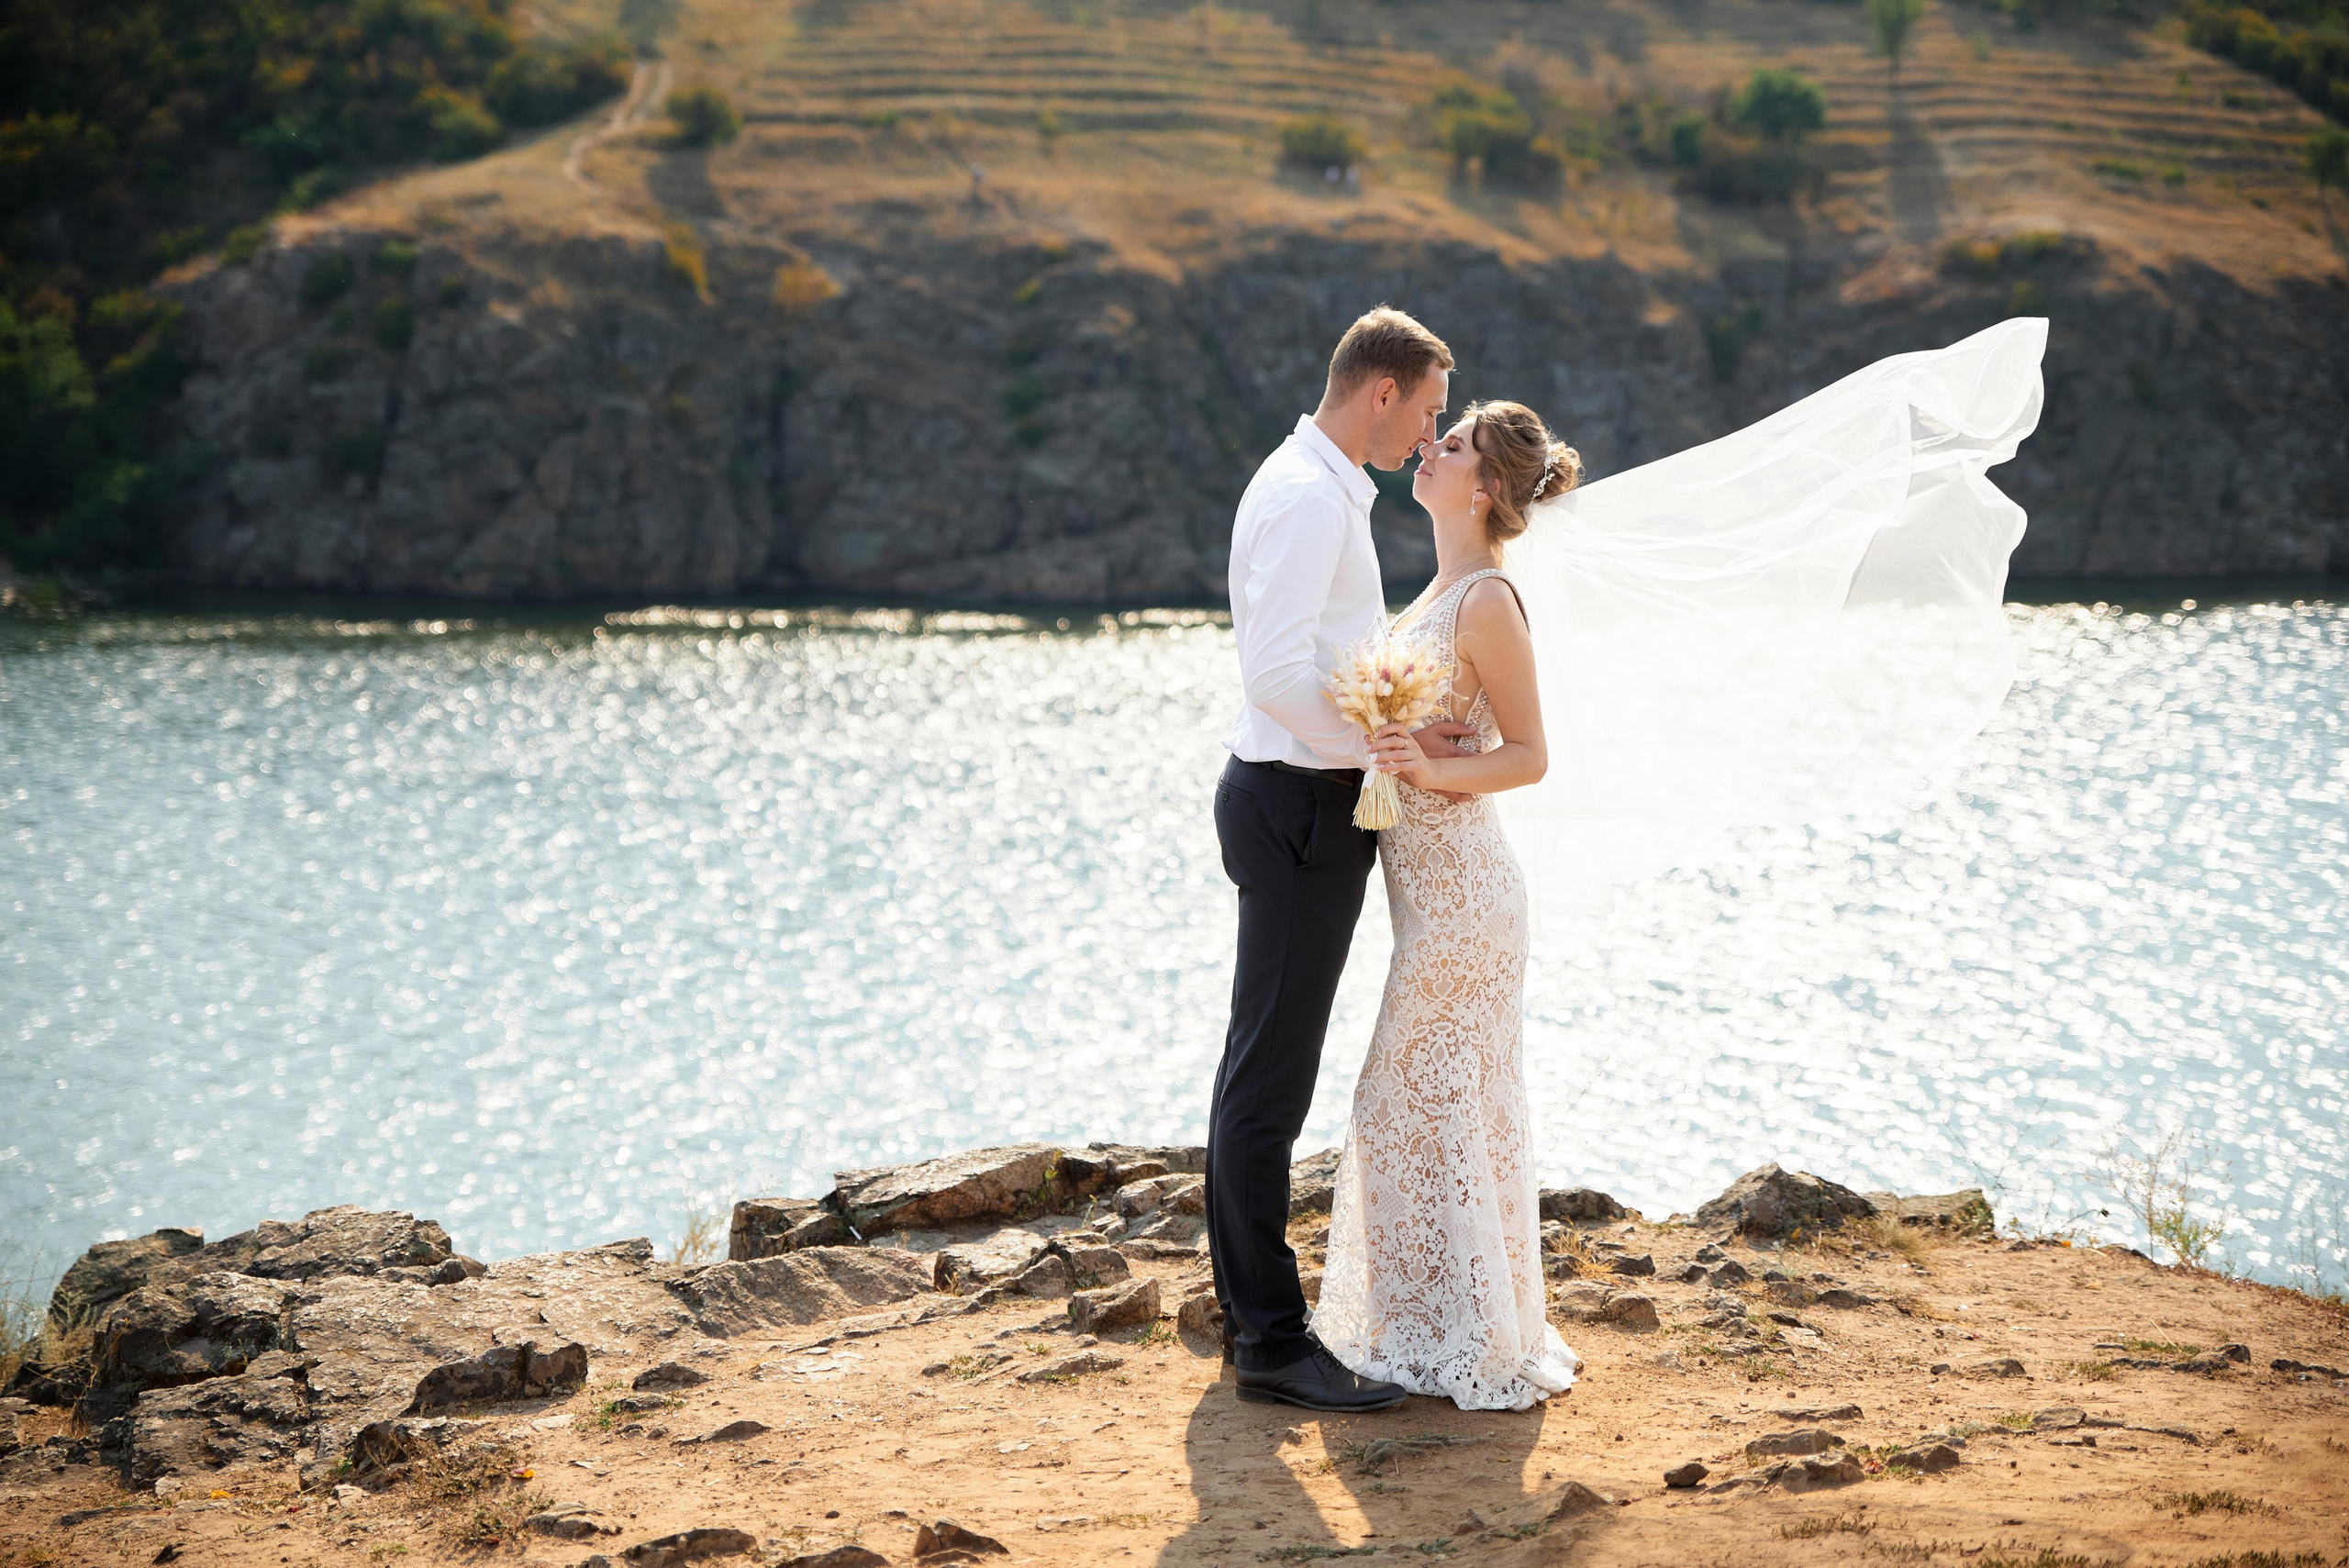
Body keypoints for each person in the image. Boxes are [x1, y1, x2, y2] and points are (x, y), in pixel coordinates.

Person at [1207, 306, 1464, 1413]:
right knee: (1270, 1078)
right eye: (1428, 411)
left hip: (1297, 799)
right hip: (1297, 808)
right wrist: (1380, 745)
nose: (1429, 434)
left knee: (1262, 1066)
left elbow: (1316, 657)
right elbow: (1273, 675)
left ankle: (1251, 1316)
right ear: (1381, 391)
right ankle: (1270, 1340)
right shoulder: (1310, 500)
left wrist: (1394, 730)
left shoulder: (1316, 484)